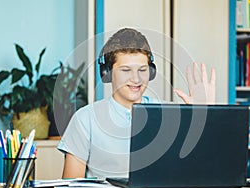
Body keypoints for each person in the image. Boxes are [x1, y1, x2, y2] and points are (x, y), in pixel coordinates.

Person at [57, 28, 216, 179]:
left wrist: (207, 115)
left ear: (151, 71)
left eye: (142, 69)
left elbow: (204, 170)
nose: (136, 79)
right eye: (126, 70)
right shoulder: (85, 119)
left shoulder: (171, 115)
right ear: (107, 73)